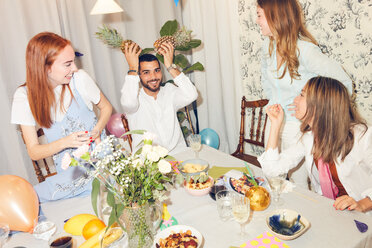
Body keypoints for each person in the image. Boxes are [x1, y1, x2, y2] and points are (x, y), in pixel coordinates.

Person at [256, 0, 353, 188]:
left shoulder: (306, 51)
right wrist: (272, 103)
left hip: (298, 127)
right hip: (274, 122)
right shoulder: (267, 48)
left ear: (275, 16)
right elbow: (266, 82)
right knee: (272, 177)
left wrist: (316, 110)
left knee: (297, 185)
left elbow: (344, 84)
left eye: (260, 15)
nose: (257, 20)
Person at [11, 32, 112, 202]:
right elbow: (34, 152)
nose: (75, 68)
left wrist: (97, 130)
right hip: (70, 179)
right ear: (45, 67)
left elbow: (106, 107)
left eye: (73, 61)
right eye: (68, 64)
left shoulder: (79, 79)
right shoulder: (24, 96)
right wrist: (66, 142)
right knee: (23, 199)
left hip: (105, 168)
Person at [259, 76, 372, 213]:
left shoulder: (363, 136)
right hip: (330, 211)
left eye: (302, 95)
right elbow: (272, 170)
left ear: (320, 104)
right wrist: (275, 125)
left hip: (363, 217)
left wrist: (362, 204)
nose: (295, 100)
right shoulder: (310, 137)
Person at [120, 42, 198, 154]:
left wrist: (170, 66)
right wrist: (132, 68)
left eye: (157, 70)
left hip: (179, 155)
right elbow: (128, 104)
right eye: (146, 72)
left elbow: (191, 94)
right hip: (149, 165)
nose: (153, 77)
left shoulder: (169, 91)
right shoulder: (134, 97)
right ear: (138, 75)